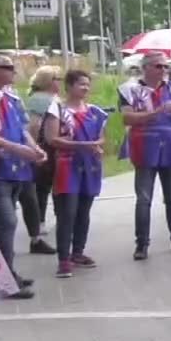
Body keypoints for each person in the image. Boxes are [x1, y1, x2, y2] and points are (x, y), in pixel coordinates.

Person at [0, 52, 48, 299]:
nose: (13, 71)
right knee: (6, 221)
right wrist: (14, 148)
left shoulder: (12, 96)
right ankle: (1, 281)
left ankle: (0, 274)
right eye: (8, 67)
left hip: (16, 169)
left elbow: (22, 128)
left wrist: (34, 149)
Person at [119, 52, 171, 260]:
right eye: (159, 66)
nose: (164, 70)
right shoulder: (130, 90)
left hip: (170, 147)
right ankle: (141, 243)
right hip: (144, 147)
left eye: (165, 67)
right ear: (147, 68)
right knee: (144, 198)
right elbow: (127, 118)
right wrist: (159, 110)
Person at [43, 70, 108, 278]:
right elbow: (52, 139)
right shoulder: (57, 109)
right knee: (67, 213)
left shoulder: (94, 111)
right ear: (69, 86)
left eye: (87, 84)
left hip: (90, 166)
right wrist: (83, 145)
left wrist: (97, 146)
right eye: (81, 84)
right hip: (66, 166)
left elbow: (101, 138)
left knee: (83, 212)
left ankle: (77, 252)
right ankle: (63, 259)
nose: (85, 88)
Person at [22, 66, 60, 255]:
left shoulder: (45, 98)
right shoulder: (40, 99)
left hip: (50, 145)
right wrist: (35, 146)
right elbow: (34, 124)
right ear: (49, 81)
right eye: (56, 78)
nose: (59, 82)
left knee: (46, 185)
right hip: (45, 145)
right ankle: (41, 220)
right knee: (43, 185)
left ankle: (46, 219)